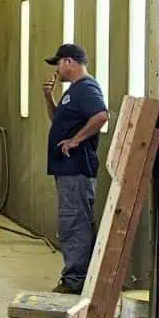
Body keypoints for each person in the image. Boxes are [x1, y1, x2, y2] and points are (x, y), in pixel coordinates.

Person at [43, 43, 110, 294]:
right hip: (66, 169)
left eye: (58, 64)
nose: (57, 70)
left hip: (76, 168)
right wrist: (49, 97)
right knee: (72, 220)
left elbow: (102, 116)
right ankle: (77, 275)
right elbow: (58, 119)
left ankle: (75, 280)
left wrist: (76, 140)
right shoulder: (73, 91)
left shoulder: (87, 88)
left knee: (74, 221)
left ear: (69, 62)